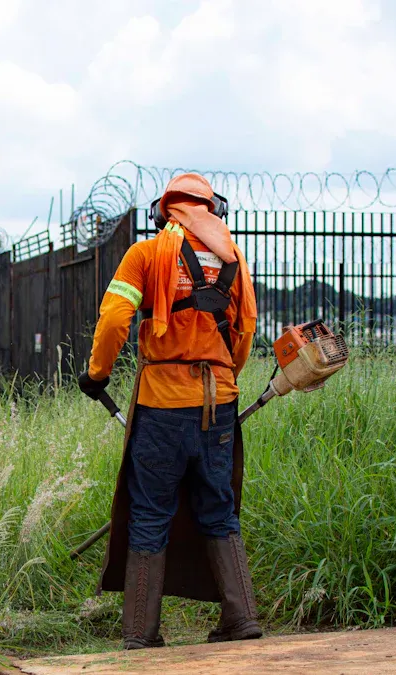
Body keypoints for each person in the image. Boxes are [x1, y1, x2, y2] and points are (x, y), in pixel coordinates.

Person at [78, 173, 261, 649]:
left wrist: (98, 374)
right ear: (212, 209)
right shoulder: (233, 260)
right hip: (218, 403)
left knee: (151, 511)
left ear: (166, 210)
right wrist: (225, 378)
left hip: (160, 405)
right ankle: (241, 620)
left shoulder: (146, 255)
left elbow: (117, 317)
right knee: (219, 510)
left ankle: (141, 633)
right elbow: (244, 329)